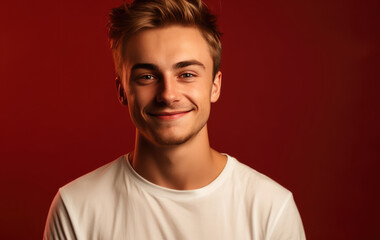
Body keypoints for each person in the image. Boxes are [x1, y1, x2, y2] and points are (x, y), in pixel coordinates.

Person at [43, 0, 306, 239]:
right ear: (122, 91)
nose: (168, 95)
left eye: (187, 74)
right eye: (147, 76)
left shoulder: (270, 209)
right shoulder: (75, 208)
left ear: (215, 86)